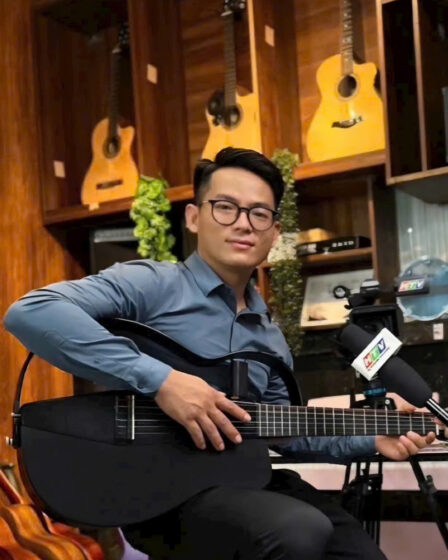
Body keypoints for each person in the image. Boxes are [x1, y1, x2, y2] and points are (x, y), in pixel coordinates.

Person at [4, 148, 436, 560]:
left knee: (356, 550)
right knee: (299, 529)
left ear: (275, 234)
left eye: (259, 214)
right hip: (160, 497)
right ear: (194, 217)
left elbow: (283, 431)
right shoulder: (152, 284)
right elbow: (32, 312)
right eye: (225, 207)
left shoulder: (269, 335)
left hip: (242, 483)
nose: (243, 224)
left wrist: (372, 437)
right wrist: (163, 381)